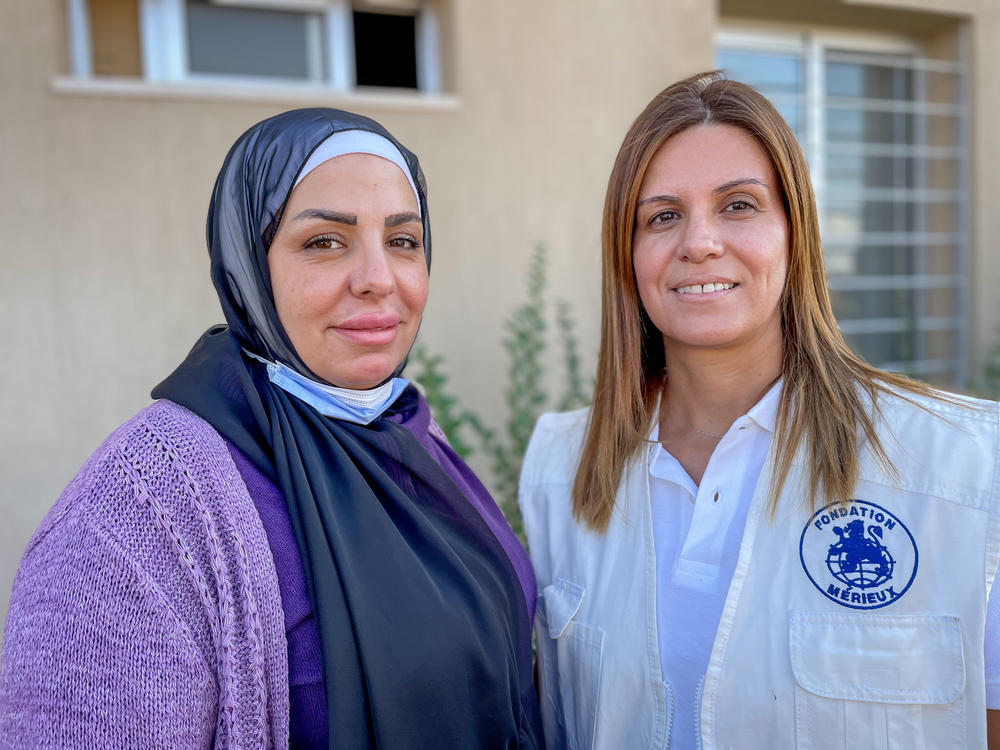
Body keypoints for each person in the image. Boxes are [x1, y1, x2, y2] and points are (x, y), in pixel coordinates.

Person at [0, 108, 545, 749]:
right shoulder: (140, 506)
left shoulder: (405, 432)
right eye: (324, 242)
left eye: (403, 241)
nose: (379, 279)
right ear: (248, 266)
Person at [519, 71, 1000, 750]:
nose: (700, 242)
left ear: (794, 233)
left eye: (738, 206)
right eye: (662, 215)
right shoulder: (558, 471)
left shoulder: (970, 468)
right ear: (626, 257)